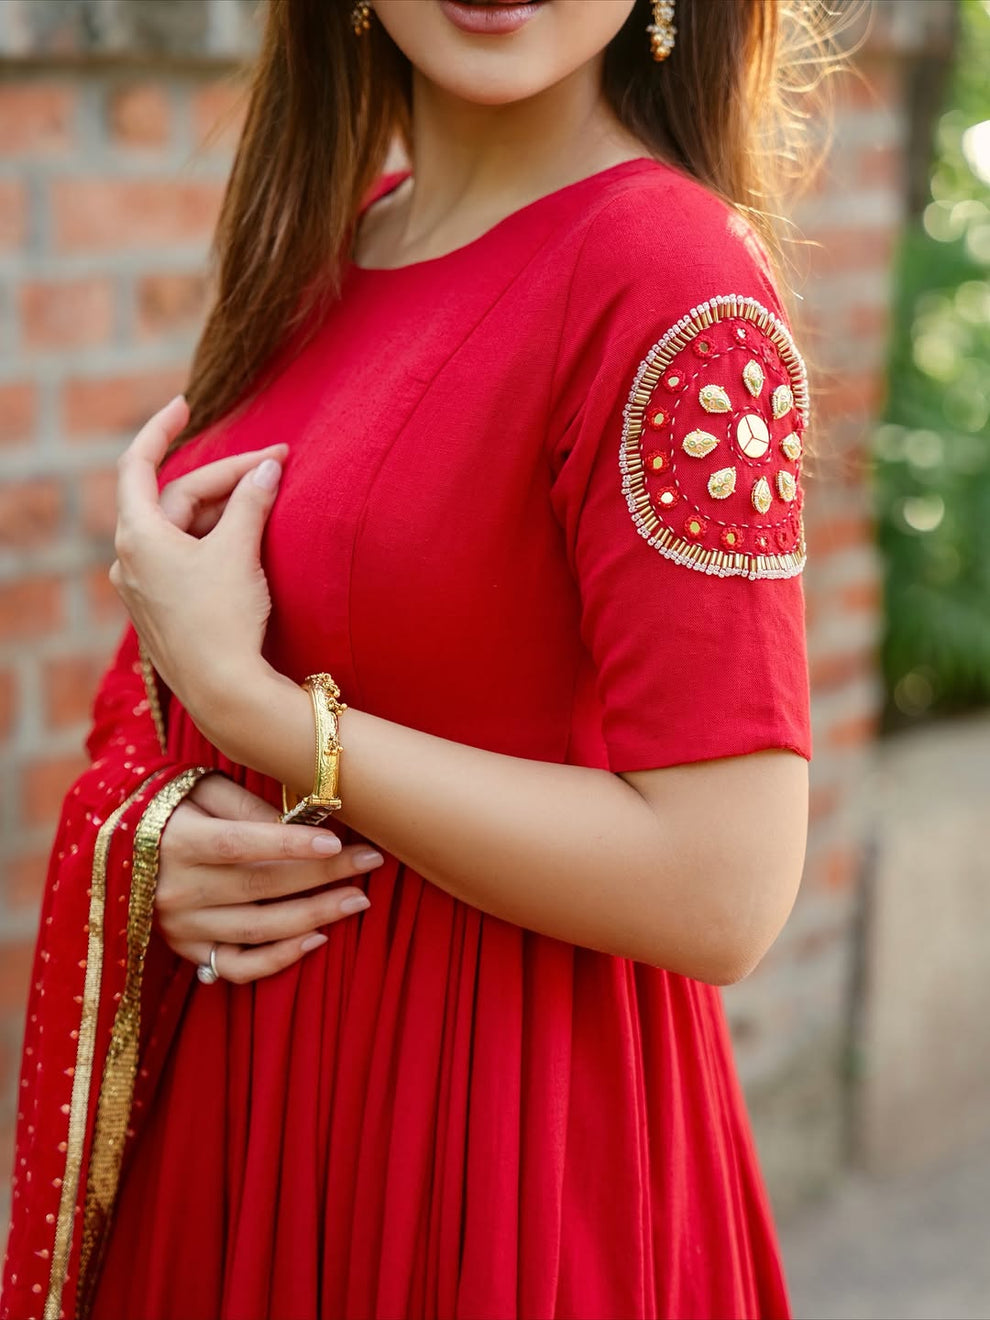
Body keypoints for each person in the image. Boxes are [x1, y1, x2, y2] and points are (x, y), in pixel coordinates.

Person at [2, 1, 825, 1316]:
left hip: (500, 1161)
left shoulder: (675, 287)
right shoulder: (332, 240)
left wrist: (266, 723)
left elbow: (721, 888)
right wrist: (164, 839)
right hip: (245, 1133)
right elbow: (156, 692)